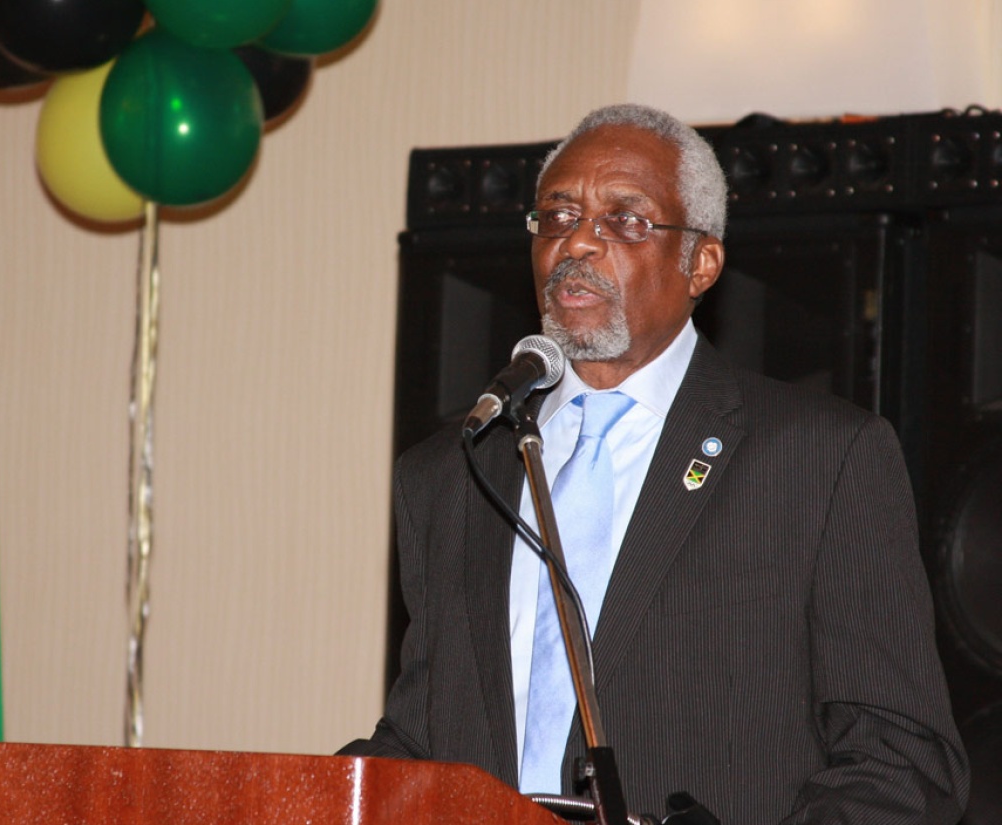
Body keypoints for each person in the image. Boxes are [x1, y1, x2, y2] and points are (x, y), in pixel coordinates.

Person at [340, 103, 970, 824]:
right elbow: (425, 742)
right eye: (557, 216)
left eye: (625, 219)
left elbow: (900, 760)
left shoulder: (820, 460)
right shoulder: (453, 472)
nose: (577, 241)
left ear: (700, 261)